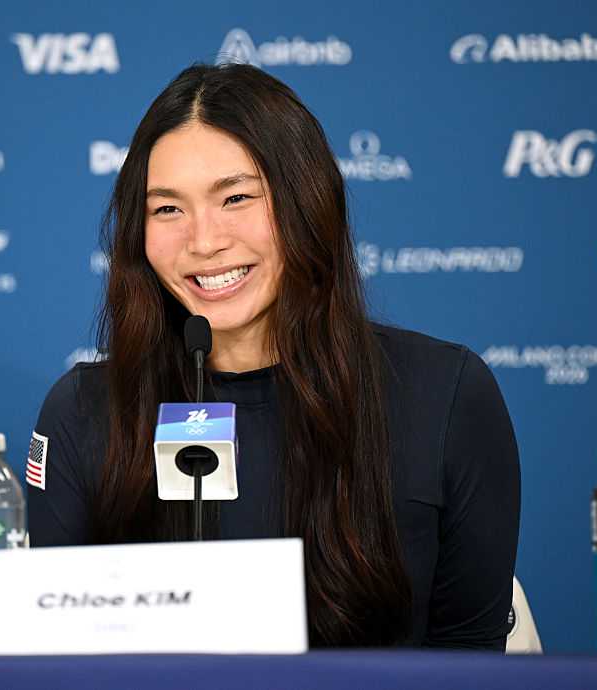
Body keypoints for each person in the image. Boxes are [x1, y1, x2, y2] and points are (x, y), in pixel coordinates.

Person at [26, 63, 520, 650]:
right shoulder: (84, 411)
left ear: (306, 202)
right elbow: (56, 661)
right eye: (167, 209)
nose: (204, 241)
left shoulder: (444, 394)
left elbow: (472, 662)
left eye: (235, 197)